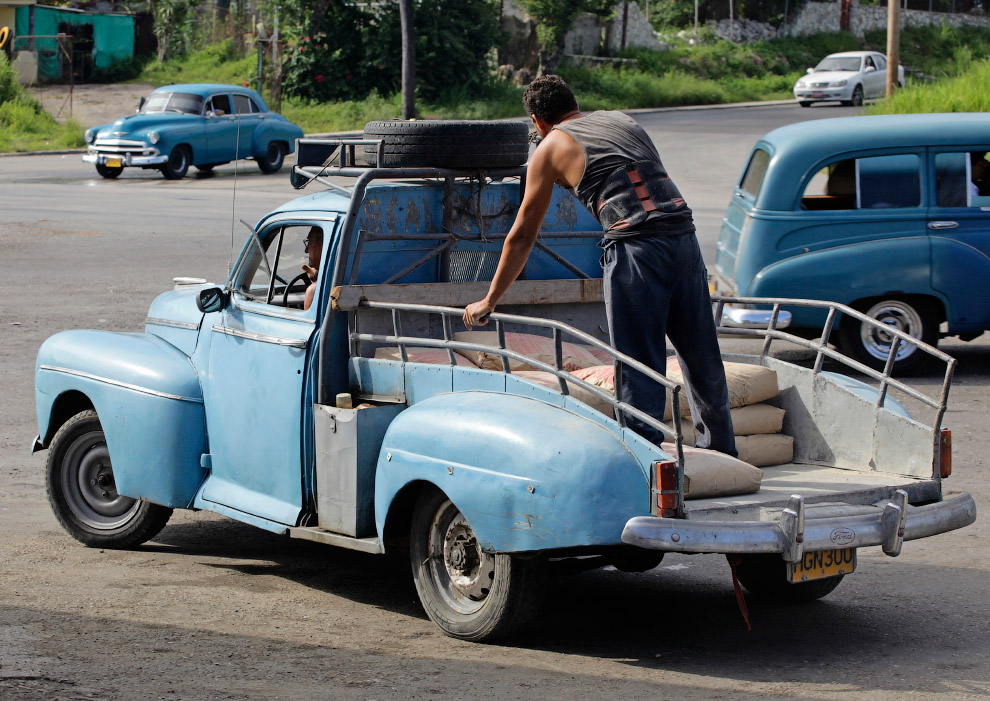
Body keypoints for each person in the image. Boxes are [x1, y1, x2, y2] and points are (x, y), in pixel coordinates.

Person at [462, 74, 735, 454]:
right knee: (701, 351)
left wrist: (489, 301)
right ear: (575, 105)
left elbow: (523, 235)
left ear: (538, 122)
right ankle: (723, 451)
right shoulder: (622, 120)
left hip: (637, 249)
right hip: (684, 237)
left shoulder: (549, 147)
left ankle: (646, 461)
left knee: (638, 362)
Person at [302, 226, 322, 311]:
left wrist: (318, 284)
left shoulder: (314, 291)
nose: (306, 250)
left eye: (309, 243)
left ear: (324, 246)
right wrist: (320, 279)